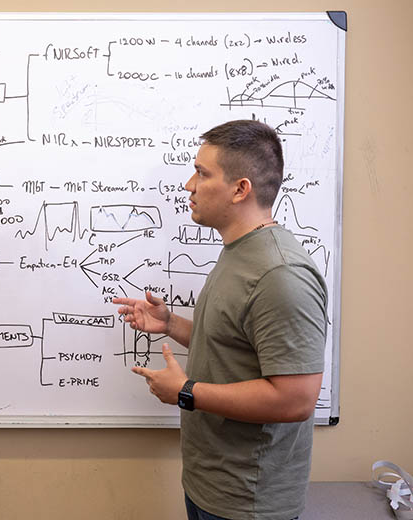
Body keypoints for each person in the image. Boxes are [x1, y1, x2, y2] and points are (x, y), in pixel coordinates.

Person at [114, 120, 327, 520]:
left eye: (202, 173)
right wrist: (171, 324)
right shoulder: (240, 253)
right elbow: (236, 349)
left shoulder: (280, 274)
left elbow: (296, 399)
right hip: (209, 486)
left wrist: (186, 391)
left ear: (240, 189)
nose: (189, 185)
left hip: (247, 501)